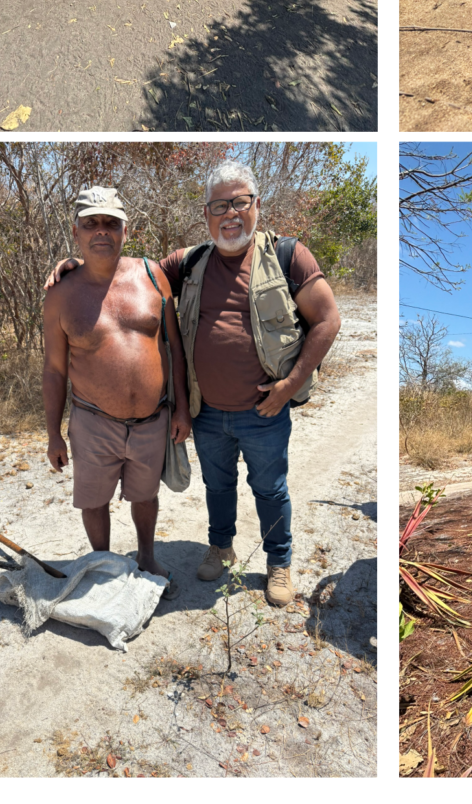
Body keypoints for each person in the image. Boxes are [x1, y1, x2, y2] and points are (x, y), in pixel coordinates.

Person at [49, 162, 343, 607]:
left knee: (270, 488)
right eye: (219, 205)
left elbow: (328, 319)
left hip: (263, 410)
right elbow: (113, 273)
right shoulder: (187, 263)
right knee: (218, 487)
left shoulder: (287, 255)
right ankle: (219, 547)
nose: (230, 214)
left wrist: (290, 384)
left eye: (240, 202)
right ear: (206, 214)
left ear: (256, 205)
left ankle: (278, 563)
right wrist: (75, 263)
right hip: (207, 413)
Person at [41, 186, 186, 577]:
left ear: (126, 229)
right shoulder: (60, 295)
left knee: (146, 495)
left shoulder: (154, 276)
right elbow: (54, 369)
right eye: (91, 224)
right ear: (77, 233)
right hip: (92, 421)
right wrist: (53, 434)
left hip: (153, 420)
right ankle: (103, 562)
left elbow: (174, 346)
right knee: (93, 500)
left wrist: (182, 409)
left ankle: (147, 557)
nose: (101, 231)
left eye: (110, 223)